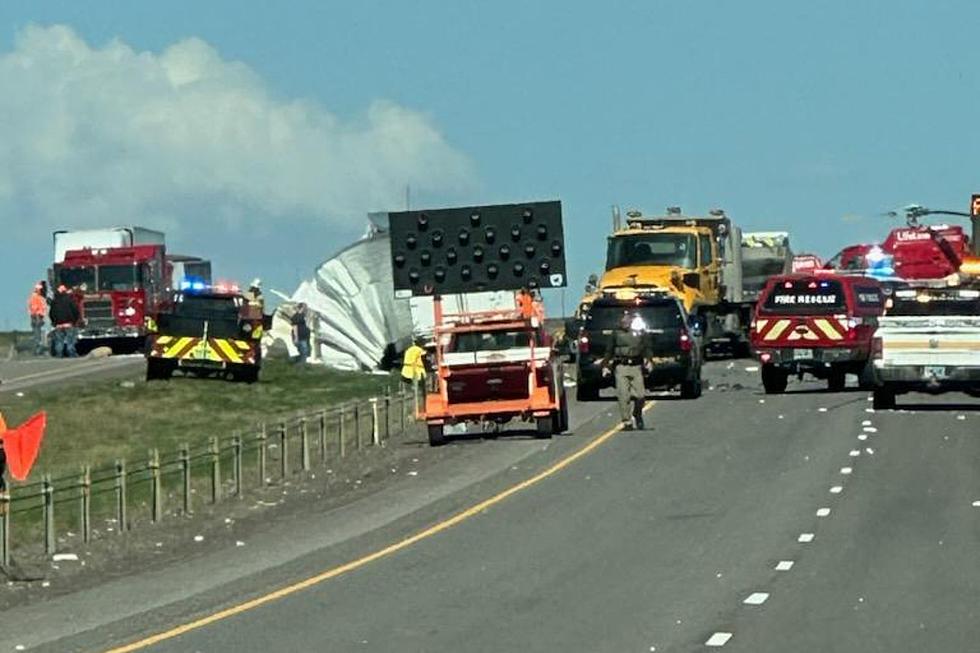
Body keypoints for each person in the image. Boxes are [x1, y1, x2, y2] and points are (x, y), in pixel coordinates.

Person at [49, 285, 80, 358]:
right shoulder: (69, 300)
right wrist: (74, 321)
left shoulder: (54, 301)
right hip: (68, 324)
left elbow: (51, 313)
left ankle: (59, 354)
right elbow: (75, 311)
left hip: (58, 325)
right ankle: (71, 353)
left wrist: (54, 322)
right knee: (70, 340)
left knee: (59, 341)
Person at [28, 282, 48, 356]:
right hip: (37, 317)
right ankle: (37, 350)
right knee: (37, 334)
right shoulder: (35, 297)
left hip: (38, 317)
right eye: (40, 289)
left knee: (38, 334)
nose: (41, 291)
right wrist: (38, 318)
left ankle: (38, 349)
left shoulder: (37, 297)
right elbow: (34, 309)